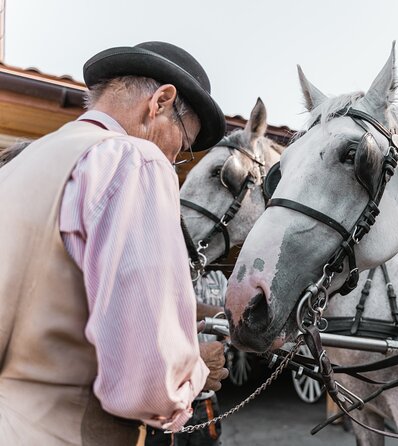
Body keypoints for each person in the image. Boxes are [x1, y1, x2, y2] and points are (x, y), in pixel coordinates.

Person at [0, 41, 229, 446]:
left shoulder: (22, 163)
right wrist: (193, 370)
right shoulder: (134, 159)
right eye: (184, 143)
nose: (176, 156)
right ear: (161, 101)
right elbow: (148, 383)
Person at [146, 269, 229, 446]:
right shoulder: (175, 271)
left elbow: (230, 324)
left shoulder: (218, 278)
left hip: (205, 394)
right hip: (172, 397)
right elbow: (176, 304)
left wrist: (222, 344)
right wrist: (220, 313)